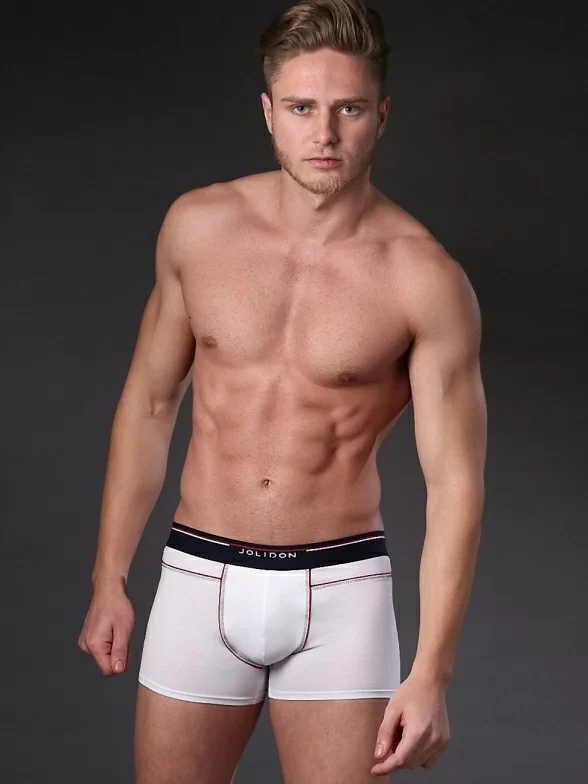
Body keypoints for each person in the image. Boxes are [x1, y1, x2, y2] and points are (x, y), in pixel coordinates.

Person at [78, 0, 487, 781]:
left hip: (342, 592)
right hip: (198, 577)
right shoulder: (198, 227)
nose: (324, 133)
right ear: (269, 113)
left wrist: (432, 671)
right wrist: (109, 577)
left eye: (348, 109)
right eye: (302, 108)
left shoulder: (425, 279)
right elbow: (151, 404)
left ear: (381, 116)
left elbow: (455, 483)